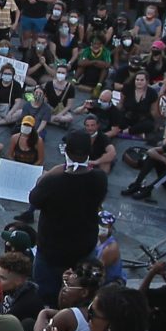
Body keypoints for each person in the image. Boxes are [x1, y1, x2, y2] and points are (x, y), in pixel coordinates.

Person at [27, 130, 110, 309]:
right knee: (81, 291)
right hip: (83, 246)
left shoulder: (53, 182)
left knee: (45, 295)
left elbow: (34, 199)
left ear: (66, 152)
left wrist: (49, 174)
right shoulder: (99, 179)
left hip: (52, 249)